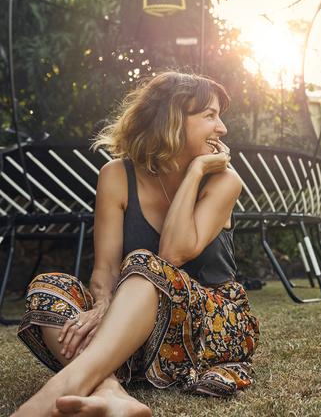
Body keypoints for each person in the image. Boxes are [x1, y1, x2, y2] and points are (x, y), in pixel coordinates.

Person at [13, 72, 259, 416]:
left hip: (208, 324)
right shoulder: (116, 175)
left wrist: (195, 172)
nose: (222, 128)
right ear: (172, 119)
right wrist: (102, 306)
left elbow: (171, 255)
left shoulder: (223, 181)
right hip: (134, 330)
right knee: (50, 286)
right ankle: (110, 391)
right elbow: (105, 269)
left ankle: (62, 387)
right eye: (209, 115)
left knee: (145, 263)